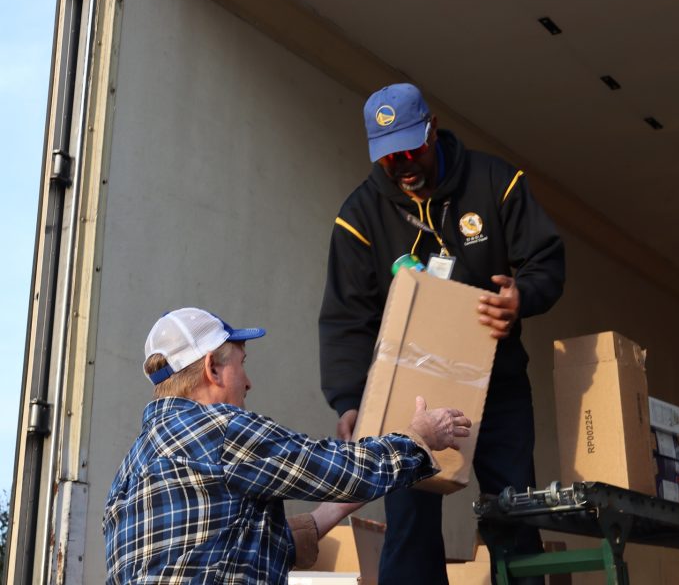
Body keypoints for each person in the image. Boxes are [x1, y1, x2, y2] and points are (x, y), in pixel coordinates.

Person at [319, 83, 565, 584]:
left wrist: (521, 297)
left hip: (497, 384)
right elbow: (346, 318)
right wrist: (349, 400)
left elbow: (546, 259)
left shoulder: (495, 181)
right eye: (389, 158)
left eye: (411, 150)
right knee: (410, 525)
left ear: (431, 129)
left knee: (513, 512)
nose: (403, 165)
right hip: (411, 399)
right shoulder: (359, 218)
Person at [103, 307, 471, 585]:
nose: (248, 382)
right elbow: (341, 471)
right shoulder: (221, 430)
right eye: (242, 364)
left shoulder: (130, 470)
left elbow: (225, 550)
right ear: (212, 368)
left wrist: (339, 504)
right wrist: (418, 439)